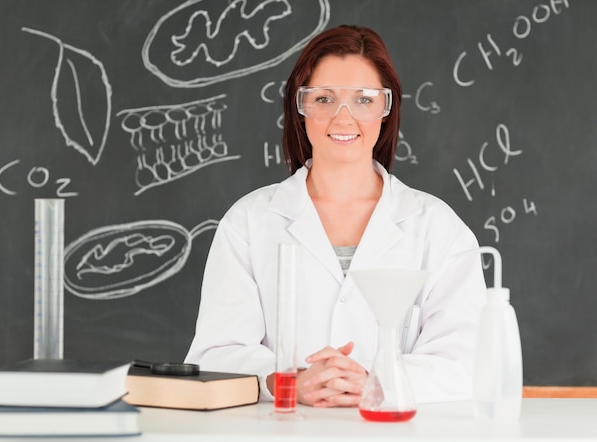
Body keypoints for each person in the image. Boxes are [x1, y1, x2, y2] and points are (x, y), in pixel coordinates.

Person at [185, 25, 487, 407]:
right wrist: (285, 380)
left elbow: (467, 362)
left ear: (385, 110)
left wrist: (377, 381)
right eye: (324, 98)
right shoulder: (248, 223)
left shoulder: (437, 228)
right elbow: (214, 354)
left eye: (364, 100)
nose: (343, 118)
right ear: (301, 108)